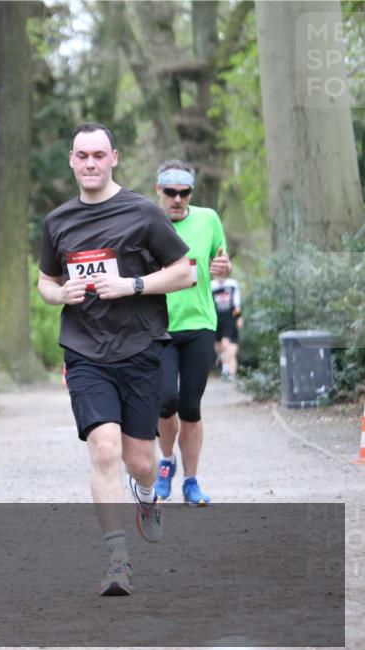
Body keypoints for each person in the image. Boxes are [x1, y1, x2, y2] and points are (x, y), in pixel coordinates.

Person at [37, 123, 192, 596]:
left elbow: (185, 272)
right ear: (71, 160)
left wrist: (133, 285)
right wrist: (59, 292)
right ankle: (118, 560)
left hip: (141, 347)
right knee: (104, 450)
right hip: (85, 351)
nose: (90, 163)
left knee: (140, 460)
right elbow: (44, 282)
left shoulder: (143, 212)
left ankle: (146, 497)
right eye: (82, 155)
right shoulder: (57, 221)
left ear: (114, 158)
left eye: (98, 155)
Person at [153, 160, 233, 506]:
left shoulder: (209, 219)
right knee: (165, 401)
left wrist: (224, 268)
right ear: (159, 191)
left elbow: (221, 262)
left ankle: (191, 481)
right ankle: (166, 461)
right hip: (160, 327)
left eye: (184, 192)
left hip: (200, 323)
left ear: (191, 193)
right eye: (170, 192)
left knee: (190, 407)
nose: (177, 199)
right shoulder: (147, 223)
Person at [212, 276, 242, 379]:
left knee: (226, 344)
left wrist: (238, 317)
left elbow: (236, 304)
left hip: (229, 318)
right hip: (215, 319)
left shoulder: (232, 284)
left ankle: (228, 371)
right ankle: (222, 362)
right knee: (219, 347)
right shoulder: (211, 285)